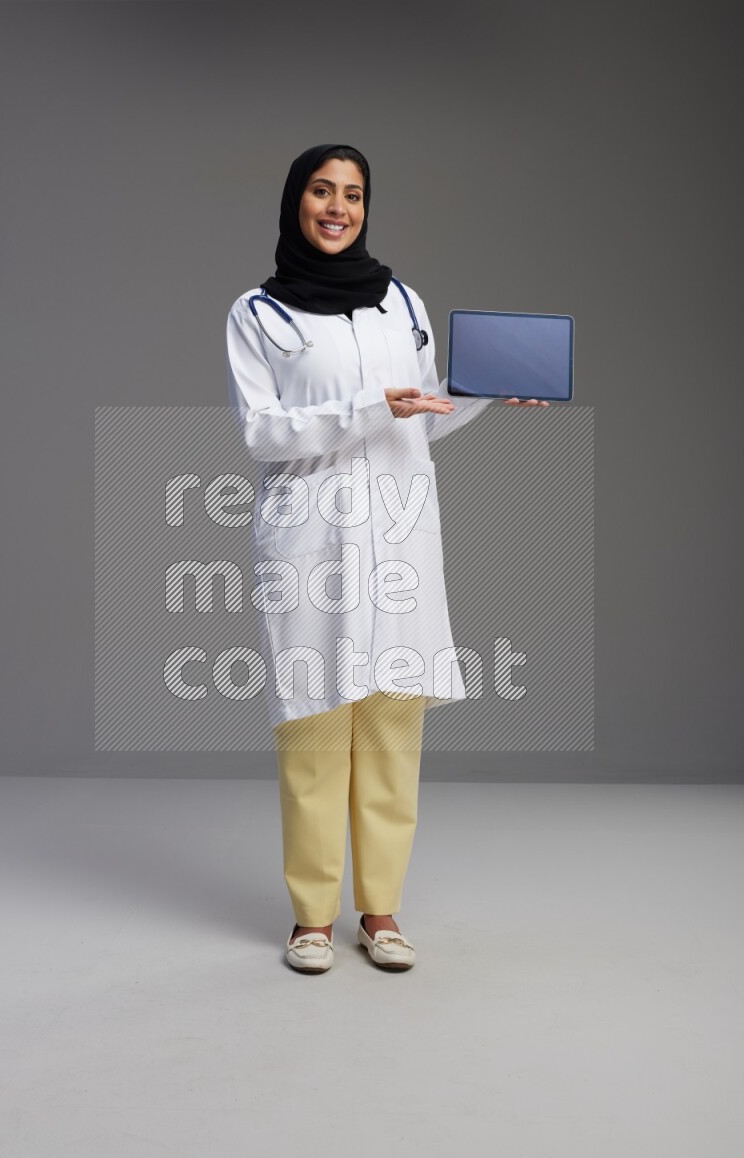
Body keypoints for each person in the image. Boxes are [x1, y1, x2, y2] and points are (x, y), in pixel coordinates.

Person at [225, 143, 548, 973]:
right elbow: (262, 433)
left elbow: (423, 416)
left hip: (400, 536)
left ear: (368, 208)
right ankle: (309, 917)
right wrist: (371, 406)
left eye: (355, 195)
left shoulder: (403, 302)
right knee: (317, 731)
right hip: (311, 541)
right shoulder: (260, 316)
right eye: (323, 192)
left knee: (394, 730)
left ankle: (381, 911)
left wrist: (482, 392)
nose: (339, 208)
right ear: (297, 201)